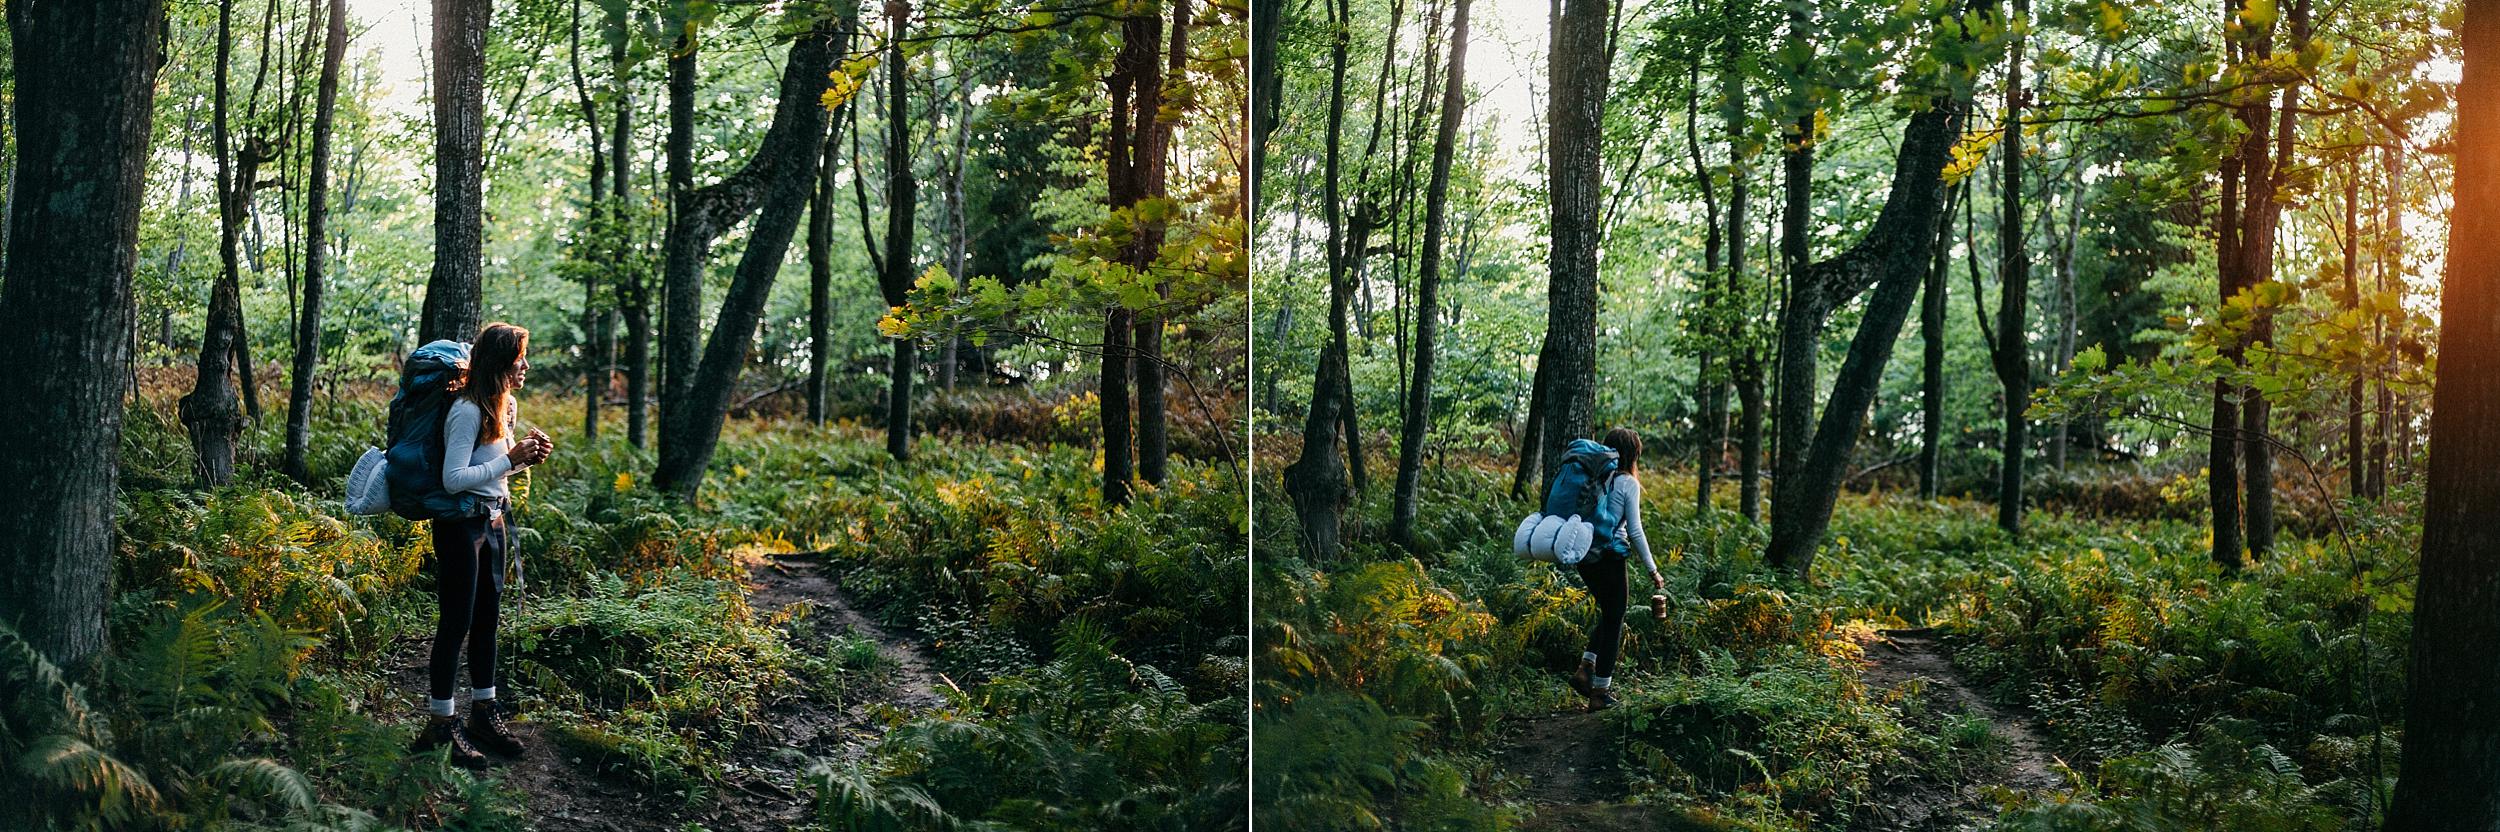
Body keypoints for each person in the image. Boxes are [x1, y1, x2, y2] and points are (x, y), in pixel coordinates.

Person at [411, 323, 554, 767]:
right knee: (456, 622)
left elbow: (494, 469)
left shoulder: (504, 405)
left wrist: (524, 456)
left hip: (492, 522)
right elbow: (452, 480)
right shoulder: (467, 411)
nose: (526, 366)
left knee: (488, 619)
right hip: (459, 527)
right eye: (518, 360)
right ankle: (440, 723)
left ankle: (483, 713)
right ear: (498, 365)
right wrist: (511, 459)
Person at [1570, 427, 1664, 711]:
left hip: (1584, 554)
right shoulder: (1627, 483)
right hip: (1610, 556)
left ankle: (1586, 668)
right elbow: (1634, 531)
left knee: (1610, 613)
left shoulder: (1596, 476)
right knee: (1615, 618)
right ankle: (1601, 691)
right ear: (1633, 454)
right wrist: (1653, 570)